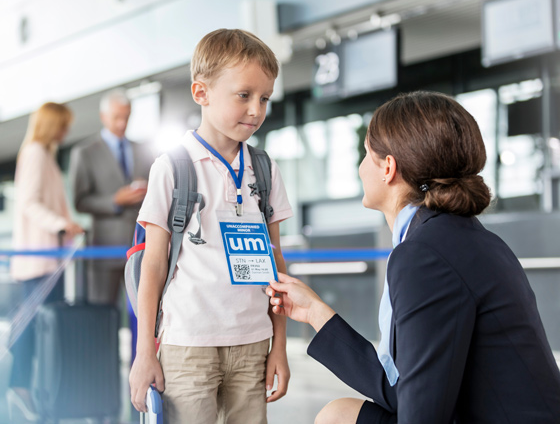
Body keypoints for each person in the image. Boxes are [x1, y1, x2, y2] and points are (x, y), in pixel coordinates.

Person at [266, 91, 560, 424]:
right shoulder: (460, 237)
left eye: (366, 156)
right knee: (340, 414)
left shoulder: (425, 255)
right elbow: (404, 388)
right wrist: (316, 313)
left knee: (337, 418)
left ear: (388, 167)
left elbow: (420, 414)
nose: (361, 167)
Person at [129, 28, 293, 423]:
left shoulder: (265, 169)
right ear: (201, 93)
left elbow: (275, 260)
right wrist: (144, 352)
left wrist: (280, 345)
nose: (256, 110)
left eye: (265, 98)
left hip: (253, 341)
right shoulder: (172, 168)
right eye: (244, 95)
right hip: (188, 343)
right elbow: (152, 265)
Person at [8, 102, 83, 421]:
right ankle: (20, 388)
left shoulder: (44, 153)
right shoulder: (36, 153)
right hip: (38, 260)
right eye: (63, 125)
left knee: (40, 329)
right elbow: (29, 202)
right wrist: (61, 225)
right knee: (31, 329)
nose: (66, 132)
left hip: (49, 259)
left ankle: (27, 389)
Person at [69, 88, 154, 305]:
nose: (122, 124)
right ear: (103, 117)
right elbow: (80, 201)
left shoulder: (142, 149)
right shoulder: (85, 153)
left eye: (126, 117)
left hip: (140, 247)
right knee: (103, 315)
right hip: (104, 249)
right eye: (117, 117)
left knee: (143, 313)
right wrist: (115, 201)